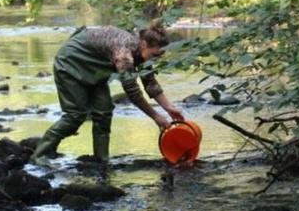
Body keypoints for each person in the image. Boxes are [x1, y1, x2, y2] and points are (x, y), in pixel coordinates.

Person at [32, 20, 186, 168]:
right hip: (70, 63)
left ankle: (101, 160)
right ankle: (40, 155)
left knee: (104, 112)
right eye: (155, 55)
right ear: (144, 44)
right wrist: (156, 116)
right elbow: (133, 92)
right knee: (75, 116)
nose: (156, 59)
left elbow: (150, 82)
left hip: (95, 68)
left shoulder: (141, 51)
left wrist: (169, 108)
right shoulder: (124, 53)